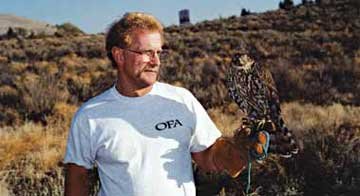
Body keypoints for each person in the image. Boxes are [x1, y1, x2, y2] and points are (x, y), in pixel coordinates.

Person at [64, 12, 268, 196]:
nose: (155, 62)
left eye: (158, 53)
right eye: (146, 53)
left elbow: (208, 157)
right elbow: (77, 179)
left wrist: (237, 152)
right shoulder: (90, 116)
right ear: (119, 55)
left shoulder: (180, 99)